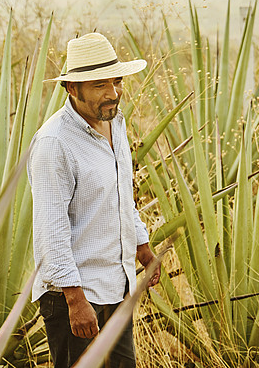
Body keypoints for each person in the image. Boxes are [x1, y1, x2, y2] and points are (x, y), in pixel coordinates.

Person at [29, 32, 161, 368]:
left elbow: (120, 194)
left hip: (115, 284)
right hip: (74, 294)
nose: (113, 93)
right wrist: (75, 300)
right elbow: (51, 227)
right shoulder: (54, 143)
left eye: (116, 82)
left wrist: (142, 248)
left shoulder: (115, 121)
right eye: (100, 85)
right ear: (72, 89)